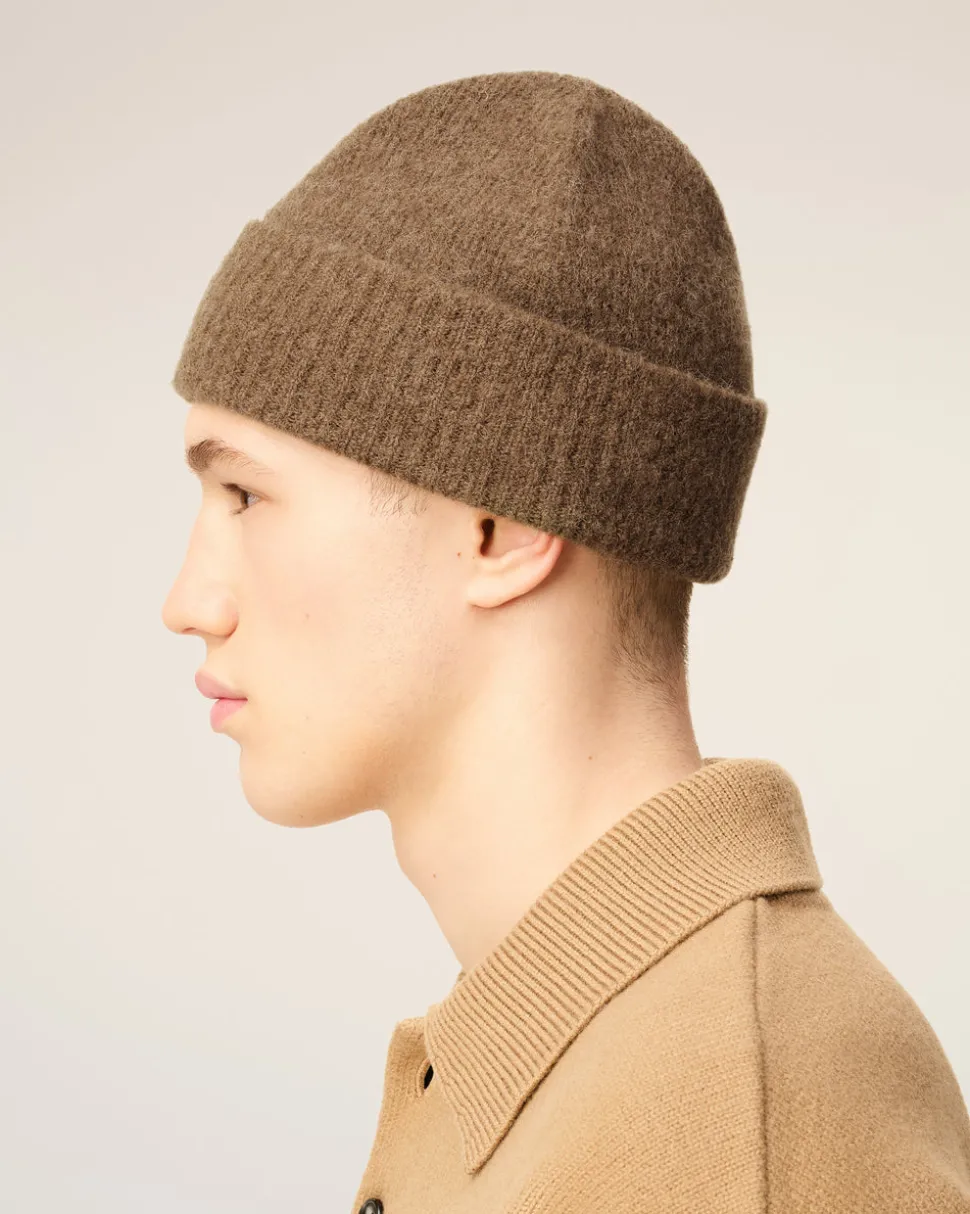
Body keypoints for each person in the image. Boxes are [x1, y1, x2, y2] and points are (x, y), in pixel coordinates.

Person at [161, 70, 970, 1213]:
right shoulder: (610, 1044)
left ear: (502, 527)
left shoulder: (723, 1138)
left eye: (246, 494)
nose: (188, 600)